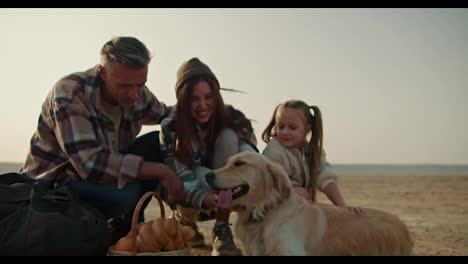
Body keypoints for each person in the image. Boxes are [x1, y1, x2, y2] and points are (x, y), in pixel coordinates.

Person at [19, 36, 186, 244]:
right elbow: (90, 164)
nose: (134, 95)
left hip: (101, 174)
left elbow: (167, 114)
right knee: (125, 195)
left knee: (154, 142)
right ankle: (91, 231)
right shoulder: (70, 92)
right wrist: (162, 172)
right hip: (56, 185)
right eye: (124, 86)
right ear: (102, 73)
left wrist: (205, 106)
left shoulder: (138, 93)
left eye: (140, 84)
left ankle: (124, 230)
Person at [160, 57, 258, 256]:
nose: (203, 105)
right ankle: (185, 221)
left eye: (209, 96)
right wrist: (205, 197)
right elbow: (180, 177)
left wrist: (243, 189)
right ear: (183, 99)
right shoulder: (171, 126)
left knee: (229, 137)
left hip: (227, 192)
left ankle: (222, 229)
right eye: (194, 99)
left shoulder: (234, 117)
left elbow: (251, 159)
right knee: (201, 172)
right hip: (192, 193)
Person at [261, 99, 365, 215]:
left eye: (292, 128)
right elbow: (272, 182)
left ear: (307, 129)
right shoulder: (273, 151)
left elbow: (325, 177)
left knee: (310, 196)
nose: (285, 132)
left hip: (298, 205)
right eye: (281, 126)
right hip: (270, 208)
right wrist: (301, 195)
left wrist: (343, 207)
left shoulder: (313, 151)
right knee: (302, 193)